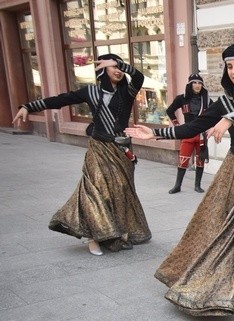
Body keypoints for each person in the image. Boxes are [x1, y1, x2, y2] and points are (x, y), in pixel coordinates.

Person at [125, 41, 234, 316]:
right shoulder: (223, 102)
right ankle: (229, 282)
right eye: (230, 66)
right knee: (228, 230)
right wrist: (156, 134)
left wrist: (231, 119)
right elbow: (193, 126)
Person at [12, 55, 151, 256]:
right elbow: (61, 100)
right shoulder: (91, 92)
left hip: (121, 149)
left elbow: (138, 77)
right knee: (95, 190)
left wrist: (119, 65)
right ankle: (92, 237)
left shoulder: (127, 92)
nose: (117, 70)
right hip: (98, 148)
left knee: (120, 191)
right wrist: (28, 106)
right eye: (112, 67)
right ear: (102, 71)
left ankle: (116, 232)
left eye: (118, 66)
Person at [165, 73, 211, 194]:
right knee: (183, 159)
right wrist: (177, 126)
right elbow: (169, 111)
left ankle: (197, 185)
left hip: (201, 134)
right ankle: (177, 185)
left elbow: (215, 113)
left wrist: (211, 127)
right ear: (190, 84)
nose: (197, 85)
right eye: (195, 82)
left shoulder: (206, 99)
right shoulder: (182, 98)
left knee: (200, 160)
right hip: (188, 133)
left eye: (200, 83)